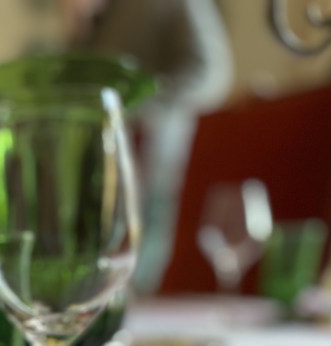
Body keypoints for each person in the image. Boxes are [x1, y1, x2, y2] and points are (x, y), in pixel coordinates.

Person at [57, 0, 234, 291]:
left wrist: (136, 105)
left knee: (143, 280)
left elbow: (210, 71)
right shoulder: (95, 16)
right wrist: (80, 29)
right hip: (95, 177)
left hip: (155, 170)